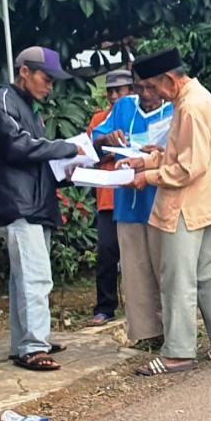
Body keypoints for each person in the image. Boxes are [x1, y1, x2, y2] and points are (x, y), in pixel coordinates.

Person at [122, 48, 211, 375]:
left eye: (153, 87)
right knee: (205, 273)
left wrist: (146, 177)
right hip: (203, 203)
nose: (152, 95)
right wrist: (147, 160)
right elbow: (182, 155)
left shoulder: (189, 107)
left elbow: (188, 168)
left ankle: (178, 352)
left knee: (177, 279)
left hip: (185, 207)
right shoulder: (194, 99)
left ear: (170, 79)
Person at [0, 47, 82, 371]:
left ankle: (26, 342)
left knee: (24, 279)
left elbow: (35, 160)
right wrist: (67, 147)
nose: (50, 86)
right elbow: (16, 147)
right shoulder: (1, 101)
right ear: (24, 71)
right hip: (17, 204)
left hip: (33, 204)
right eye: (46, 78)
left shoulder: (27, 109)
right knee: (35, 279)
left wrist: (66, 172)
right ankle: (34, 347)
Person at [93, 69, 174, 348]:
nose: (146, 96)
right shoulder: (124, 107)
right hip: (127, 203)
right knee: (135, 271)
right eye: (139, 89)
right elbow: (96, 140)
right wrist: (107, 139)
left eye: (150, 88)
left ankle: (175, 333)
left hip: (162, 200)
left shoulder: (174, 108)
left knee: (166, 269)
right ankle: (147, 333)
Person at [84, 69, 134, 326]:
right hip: (107, 198)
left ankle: (138, 307)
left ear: (131, 91)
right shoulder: (99, 119)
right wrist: (107, 144)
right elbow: (91, 153)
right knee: (106, 252)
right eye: (111, 91)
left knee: (136, 255)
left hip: (133, 195)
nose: (114, 95)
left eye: (120, 90)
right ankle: (104, 307)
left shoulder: (137, 116)